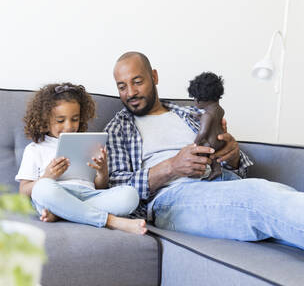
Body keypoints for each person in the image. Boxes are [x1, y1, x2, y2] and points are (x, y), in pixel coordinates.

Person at [105, 51, 304, 248]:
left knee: (279, 202)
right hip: (174, 197)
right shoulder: (118, 128)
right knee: (260, 197)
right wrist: (172, 167)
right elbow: (116, 189)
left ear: (154, 76)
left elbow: (239, 171)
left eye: (137, 82)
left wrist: (232, 156)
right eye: (122, 87)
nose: (130, 92)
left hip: (226, 182)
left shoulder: (193, 113)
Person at [16, 82, 147, 235]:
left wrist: (102, 171)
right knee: (41, 189)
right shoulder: (35, 149)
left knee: (130, 195)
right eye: (60, 120)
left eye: (75, 119)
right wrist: (47, 177)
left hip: (88, 195)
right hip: (55, 194)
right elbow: (23, 192)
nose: (69, 126)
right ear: (45, 120)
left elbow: (99, 187)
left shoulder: (89, 143)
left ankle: (62, 213)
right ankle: (111, 221)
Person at [188, 71, 226, 180]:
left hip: (211, 142)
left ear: (201, 99)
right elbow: (213, 121)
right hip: (220, 140)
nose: (194, 101)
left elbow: (203, 132)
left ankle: (198, 171)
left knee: (202, 151)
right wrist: (199, 117)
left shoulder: (207, 115)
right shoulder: (219, 110)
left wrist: (195, 143)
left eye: (194, 98)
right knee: (215, 156)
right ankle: (217, 169)